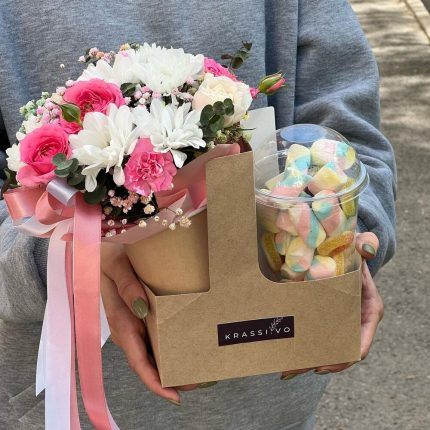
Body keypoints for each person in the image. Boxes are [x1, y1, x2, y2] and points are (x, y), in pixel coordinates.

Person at [0, 1, 395, 429]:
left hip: (271, 395)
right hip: (61, 402)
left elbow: (352, 146)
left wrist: (342, 235)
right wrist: (73, 258)